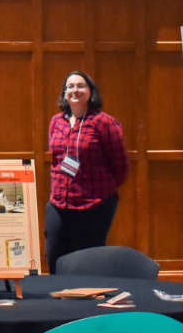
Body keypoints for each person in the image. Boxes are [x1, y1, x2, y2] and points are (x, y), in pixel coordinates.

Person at [44, 69, 128, 265]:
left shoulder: (104, 123)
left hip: (93, 206)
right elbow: (57, 160)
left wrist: (99, 192)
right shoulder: (56, 122)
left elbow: (121, 166)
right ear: (65, 93)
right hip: (59, 203)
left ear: (91, 92)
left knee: (87, 264)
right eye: (70, 86)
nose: (75, 90)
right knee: (54, 257)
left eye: (80, 86)